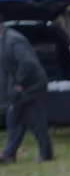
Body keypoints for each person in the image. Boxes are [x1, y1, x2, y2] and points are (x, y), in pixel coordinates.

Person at [0, 21, 53, 163]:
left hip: (31, 86)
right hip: (20, 89)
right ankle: (9, 154)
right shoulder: (4, 40)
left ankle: (46, 153)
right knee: (14, 119)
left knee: (36, 121)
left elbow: (27, 62)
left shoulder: (13, 40)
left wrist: (18, 82)